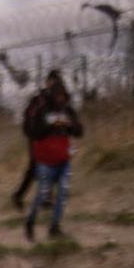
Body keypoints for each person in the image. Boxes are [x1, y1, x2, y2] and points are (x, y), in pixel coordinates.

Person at [24, 80, 84, 241]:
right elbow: (35, 133)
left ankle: (54, 227)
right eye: (57, 96)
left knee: (63, 192)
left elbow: (79, 131)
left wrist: (70, 125)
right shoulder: (42, 111)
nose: (60, 99)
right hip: (45, 160)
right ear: (52, 96)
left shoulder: (68, 111)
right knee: (43, 194)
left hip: (63, 159)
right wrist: (51, 125)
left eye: (63, 96)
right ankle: (30, 221)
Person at [12, 70, 64, 211]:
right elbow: (28, 118)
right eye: (52, 81)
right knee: (35, 168)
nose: (54, 84)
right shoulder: (39, 99)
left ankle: (45, 197)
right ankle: (19, 196)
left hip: (52, 139)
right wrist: (33, 136)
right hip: (37, 139)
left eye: (57, 81)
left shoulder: (59, 100)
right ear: (47, 82)